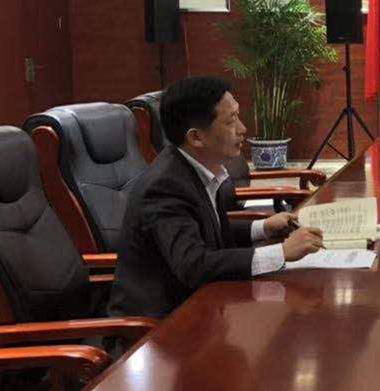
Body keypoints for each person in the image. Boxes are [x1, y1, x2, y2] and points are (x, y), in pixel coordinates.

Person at [111, 76, 323, 318]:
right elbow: (193, 265)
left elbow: (205, 228)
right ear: (196, 137)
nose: (242, 129)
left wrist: (263, 227)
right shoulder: (165, 187)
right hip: (161, 324)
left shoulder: (197, 168)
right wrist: (282, 252)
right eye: (231, 121)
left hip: (201, 307)